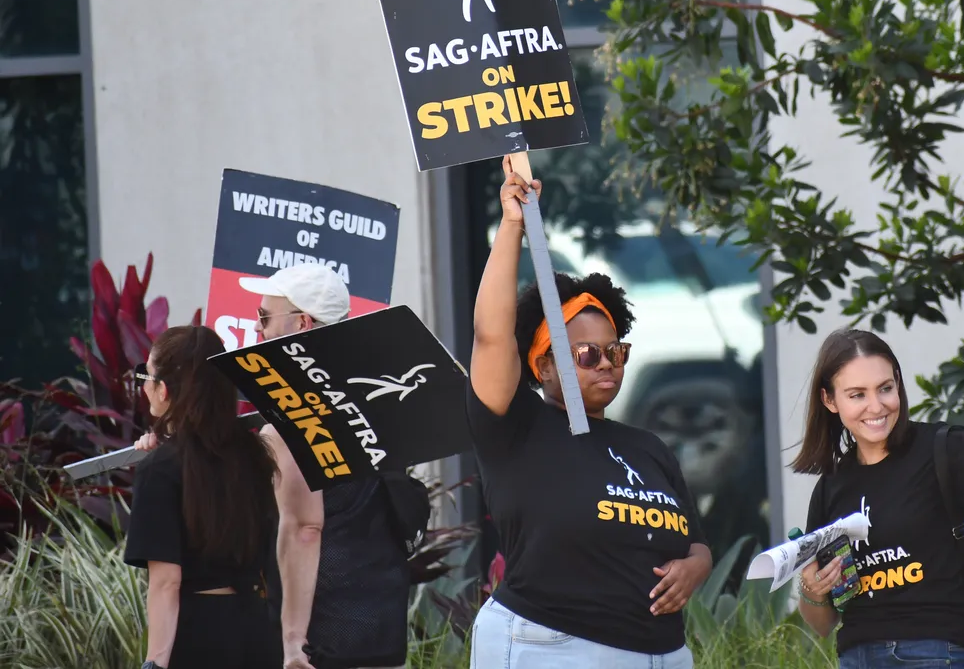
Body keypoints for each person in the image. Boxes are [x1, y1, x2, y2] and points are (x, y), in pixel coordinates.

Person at [466, 159, 713, 668]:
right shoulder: (518, 428)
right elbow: (491, 334)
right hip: (554, 646)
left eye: (615, 351)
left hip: (661, 655)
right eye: (586, 354)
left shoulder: (647, 447)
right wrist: (512, 224)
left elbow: (696, 544)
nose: (606, 362)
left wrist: (696, 568)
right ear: (543, 366)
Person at [135, 263, 411, 669]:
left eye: (265, 316)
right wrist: (176, 448)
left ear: (300, 323)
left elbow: (303, 529)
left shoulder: (296, 417)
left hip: (320, 637)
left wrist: (292, 642)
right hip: (379, 623)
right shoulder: (373, 399)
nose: (257, 327)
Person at [793, 328, 964, 669]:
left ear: (898, 383)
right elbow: (823, 624)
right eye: (857, 395)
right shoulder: (830, 488)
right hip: (857, 657)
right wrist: (813, 589)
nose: (876, 405)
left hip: (935, 652)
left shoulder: (943, 449)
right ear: (829, 400)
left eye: (885, 388)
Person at [124, 326, 281, 669]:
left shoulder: (160, 470)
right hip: (257, 629)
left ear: (163, 390)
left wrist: (154, 663)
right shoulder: (254, 455)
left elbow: (166, 583)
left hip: (197, 635)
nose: (144, 385)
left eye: (146, 376)